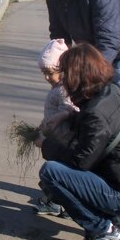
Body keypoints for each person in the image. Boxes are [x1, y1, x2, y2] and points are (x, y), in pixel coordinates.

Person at [37, 43, 120, 240]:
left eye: (65, 73)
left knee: (51, 173)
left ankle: (103, 230)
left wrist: (46, 145)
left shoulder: (96, 113)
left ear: (77, 76)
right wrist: (68, 116)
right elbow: (95, 136)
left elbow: (81, 161)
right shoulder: (112, 91)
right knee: (67, 172)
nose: (63, 79)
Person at [31, 38, 80, 215]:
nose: (46, 77)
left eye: (49, 73)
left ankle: (59, 203)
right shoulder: (58, 87)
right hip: (55, 136)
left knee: (58, 173)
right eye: (43, 73)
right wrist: (44, 124)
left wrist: (52, 124)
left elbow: (70, 110)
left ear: (62, 70)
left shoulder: (64, 90)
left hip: (62, 140)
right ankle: (62, 203)